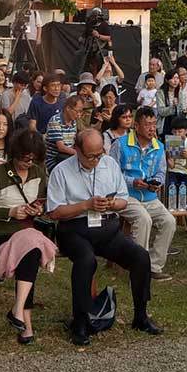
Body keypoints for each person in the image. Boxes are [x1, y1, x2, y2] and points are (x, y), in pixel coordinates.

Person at [47, 127, 161, 346]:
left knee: (140, 257)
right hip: (74, 229)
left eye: (99, 154)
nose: (96, 160)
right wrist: (85, 205)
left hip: (106, 227)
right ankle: (80, 322)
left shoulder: (109, 164)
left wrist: (111, 204)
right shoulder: (61, 171)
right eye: (90, 156)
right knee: (85, 261)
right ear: (77, 151)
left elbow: (123, 200)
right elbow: (54, 211)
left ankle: (141, 315)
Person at [0, 127, 55, 344]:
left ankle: (20, 315)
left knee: (31, 249)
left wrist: (37, 210)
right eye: (24, 159)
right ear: (14, 154)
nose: (28, 164)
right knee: (31, 245)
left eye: (32, 160)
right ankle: (23, 319)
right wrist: (9, 212)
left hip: (27, 232)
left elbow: (44, 201)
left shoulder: (38, 172)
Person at [111, 106, 177, 281]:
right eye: (147, 125)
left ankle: (154, 266)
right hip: (126, 196)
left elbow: (161, 173)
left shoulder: (159, 147)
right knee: (143, 219)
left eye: (154, 124)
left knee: (169, 221)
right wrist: (132, 182)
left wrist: (156, 183)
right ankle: (138, 266)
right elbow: (111, 173)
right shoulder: (121, 144)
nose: (152, 129)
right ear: (137, 126)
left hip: (149, 196)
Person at [45, 92, 85, 170]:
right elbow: (61, 147)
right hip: (55, 159)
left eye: (81, 112)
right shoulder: (56, 121)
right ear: (68, 108)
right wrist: (78, 154)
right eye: (77, 111)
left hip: (69, 156)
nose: (79, 115)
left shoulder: (73, 122)